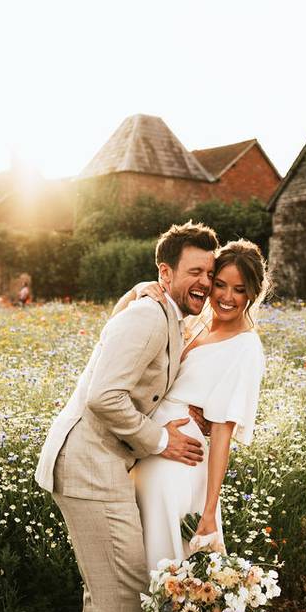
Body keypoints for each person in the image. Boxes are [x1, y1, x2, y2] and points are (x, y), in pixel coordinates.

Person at [34, 222, 219, 612]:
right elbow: (104, 396)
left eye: (209, 272)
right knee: (127, 598)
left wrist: (136, 288)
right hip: (90, 466)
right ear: (165, 273)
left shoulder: (167, 313)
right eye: (194, 272)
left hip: (102, 465)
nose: (205, 281)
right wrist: (158, 441)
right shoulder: (150, 316)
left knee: (105, 595)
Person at [116, 239, 269, 574]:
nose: (227, 297)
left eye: (239, 289)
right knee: (136, 562)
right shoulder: (197, 324)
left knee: (162, 564)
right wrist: (143, 289)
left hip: (179, 460)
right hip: (153, 446)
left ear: (252, 293)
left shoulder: (245, 347)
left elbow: (222, 431)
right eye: (221, 285)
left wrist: (210, 509)